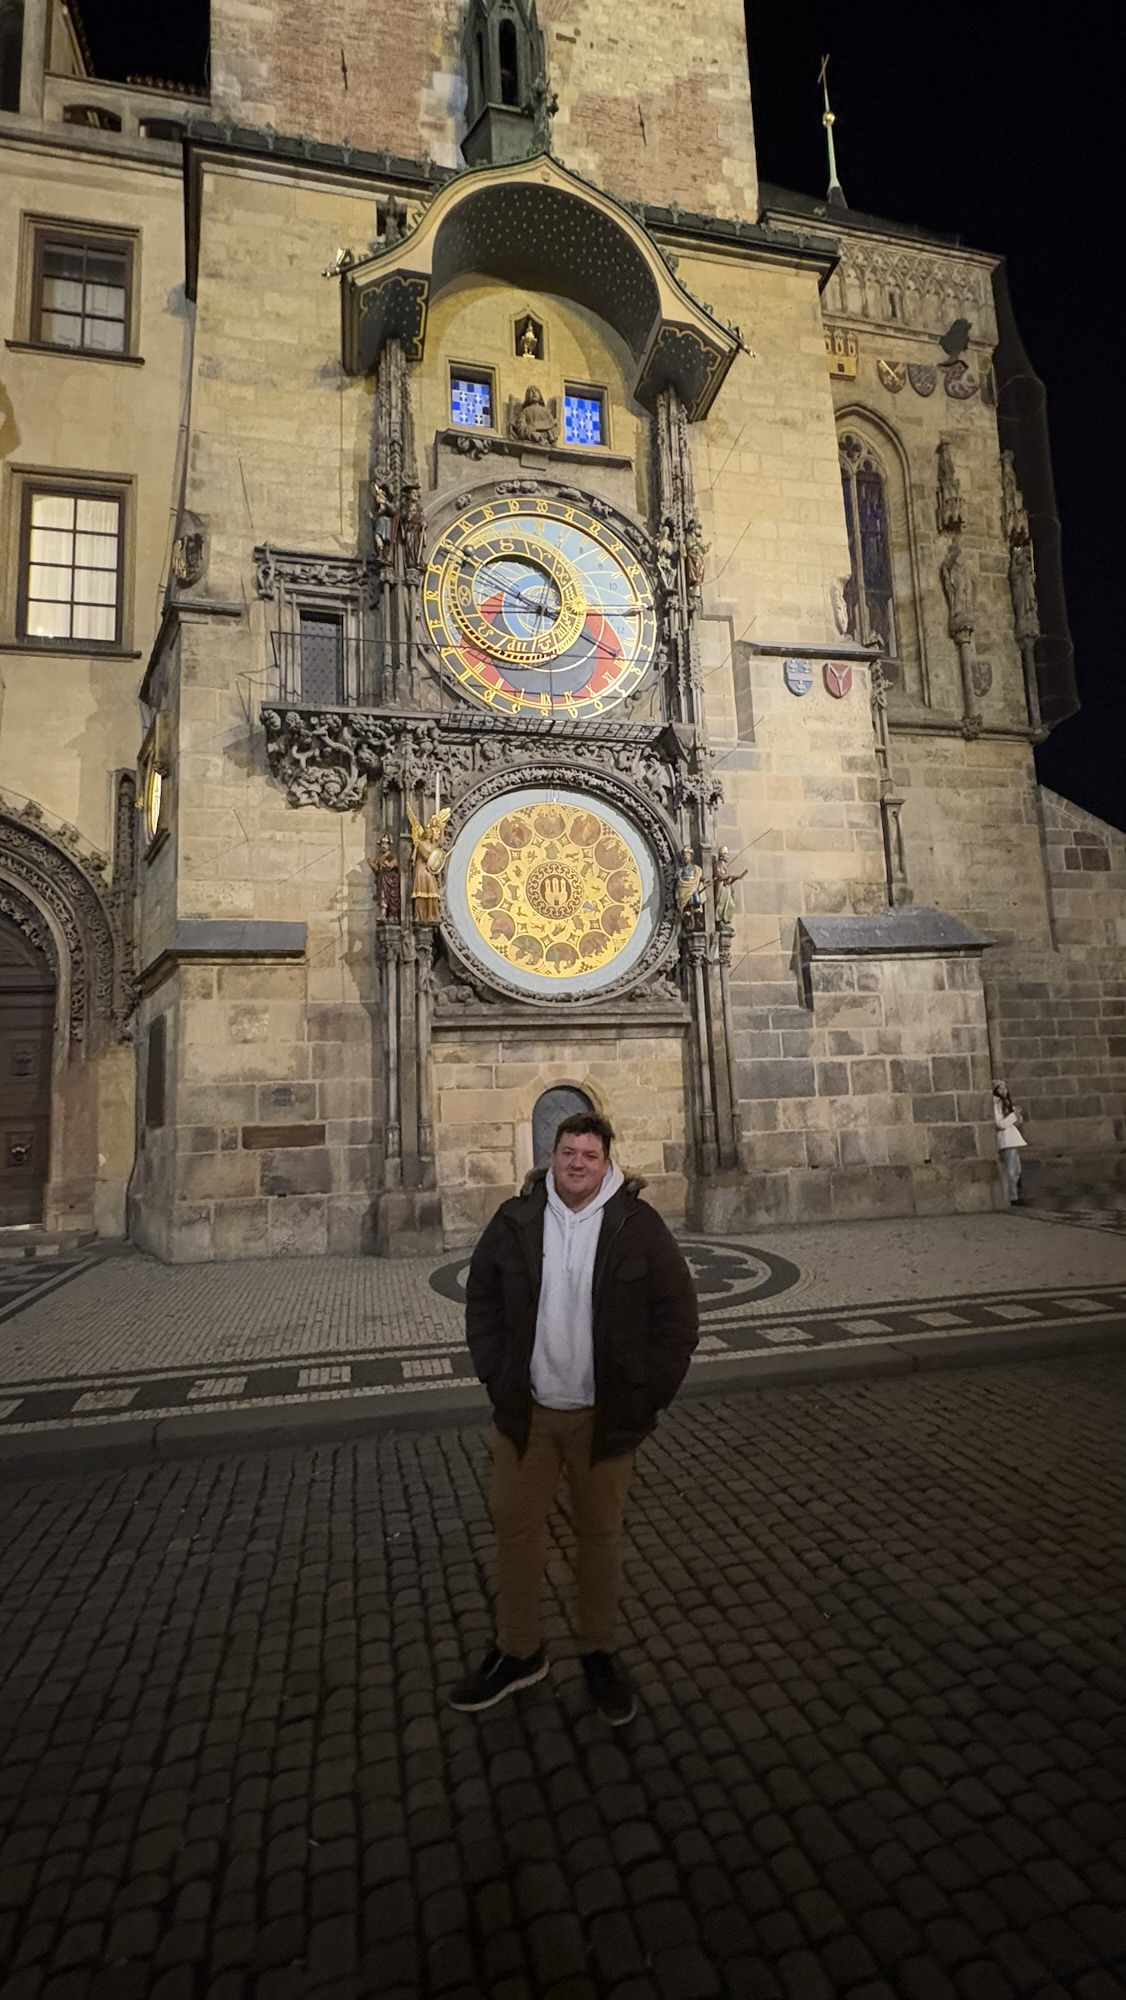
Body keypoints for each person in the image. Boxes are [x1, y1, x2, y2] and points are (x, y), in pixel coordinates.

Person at [449, 1113, 698, 1725]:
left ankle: (597, 1650)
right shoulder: (516, 1219)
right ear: (551, 1156)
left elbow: (677, 1318)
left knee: (600, 1538)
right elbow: (480, 1293)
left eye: (589, 1153)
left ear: (608, 1159)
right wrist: (494, 1370)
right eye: (567, 1152)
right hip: (526, 1414)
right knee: (515, 1531)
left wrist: (645, 1399)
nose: (577, 1162)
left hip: (602, 1418)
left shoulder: (638, 1226)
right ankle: (518, 1649)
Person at [993, 1080, 1027, 1205]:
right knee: (1011, 1170)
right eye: (1001, 1088)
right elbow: (1000, 1124)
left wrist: (1017, 1116)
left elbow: (1015, 1122)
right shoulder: (995, 1104)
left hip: (1011, 1140)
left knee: (1016, 1169)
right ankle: (1012, 1197)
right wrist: (1013, 1116)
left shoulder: (1006, 1103)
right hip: (1006, 1141)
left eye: (1005, 1088)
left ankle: (1013, 1194)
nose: (1004, 1091)